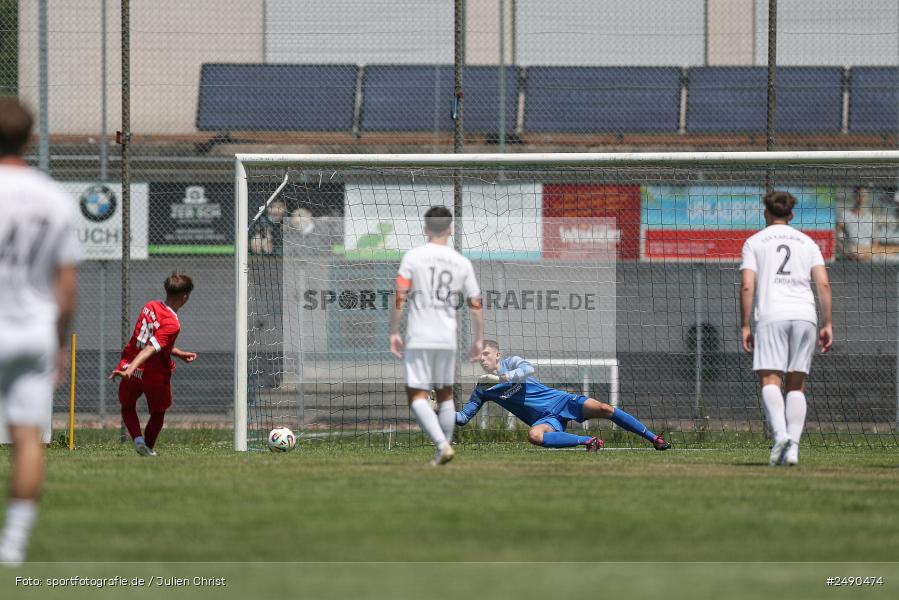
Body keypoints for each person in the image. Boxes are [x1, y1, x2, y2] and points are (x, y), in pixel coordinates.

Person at [0, 99, 79, 565]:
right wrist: (58, 344)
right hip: (31, 333)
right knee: (28, 436)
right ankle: (12, 544)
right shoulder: (54, 197)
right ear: (30, 138)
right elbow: (66, 288)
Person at [741, 191, 833, 466]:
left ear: (766, 213)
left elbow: (748, 285)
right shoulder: (807, 242)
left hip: (772, 314)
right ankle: (792, 447)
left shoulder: (754, 242)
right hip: (805, 315)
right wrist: (827, 322)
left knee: (770, 380)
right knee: (797, 385)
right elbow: (824, 284)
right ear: (791, 215)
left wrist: (745, 324)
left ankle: (781, 435)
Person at [389, 206, 483, 466]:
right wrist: (478, 339)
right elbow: (475, 304)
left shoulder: (414, 257)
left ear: (425, 228)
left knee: (417, 395)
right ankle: (444, 449)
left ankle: (442, 446)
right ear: (451, 229)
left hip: (420, 336)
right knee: (445, 395)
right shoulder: (461, 262)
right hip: (447, 337)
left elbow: (400, 295)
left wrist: (394, 331)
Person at [456, 341, 671, 451]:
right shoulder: (483, 387)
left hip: (561, 401)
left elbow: (528, 368)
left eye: (486, 354)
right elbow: (464, 418)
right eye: (479, 356)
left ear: (497, 355)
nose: (483, 359)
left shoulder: (510, 362)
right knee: (534, 436)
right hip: (544, 420)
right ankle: (589, 441)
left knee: (605, 408)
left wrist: (508, 377)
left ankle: (655, 439)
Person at [111, 273, 197, 456]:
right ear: (185, 297)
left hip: (131, 364)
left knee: (127, 406)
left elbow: (150, 342)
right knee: (158, 412)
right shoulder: (172, 323)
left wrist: (178, 353)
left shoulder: (149, 306)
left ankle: (138, 440)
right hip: (153, 373)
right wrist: (130, 370)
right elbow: (151, 348)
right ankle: (148, 448)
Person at [836, 186, 878, 261]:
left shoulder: (871, 218)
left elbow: (875, 241)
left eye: (864, 196)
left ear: (867, 198)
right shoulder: (845, 215)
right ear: (854, 196)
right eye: (859, 195)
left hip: (867, 261)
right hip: (850, 260)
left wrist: (868, 255)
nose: (861, 198)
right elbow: (834, 237)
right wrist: (846, 253)